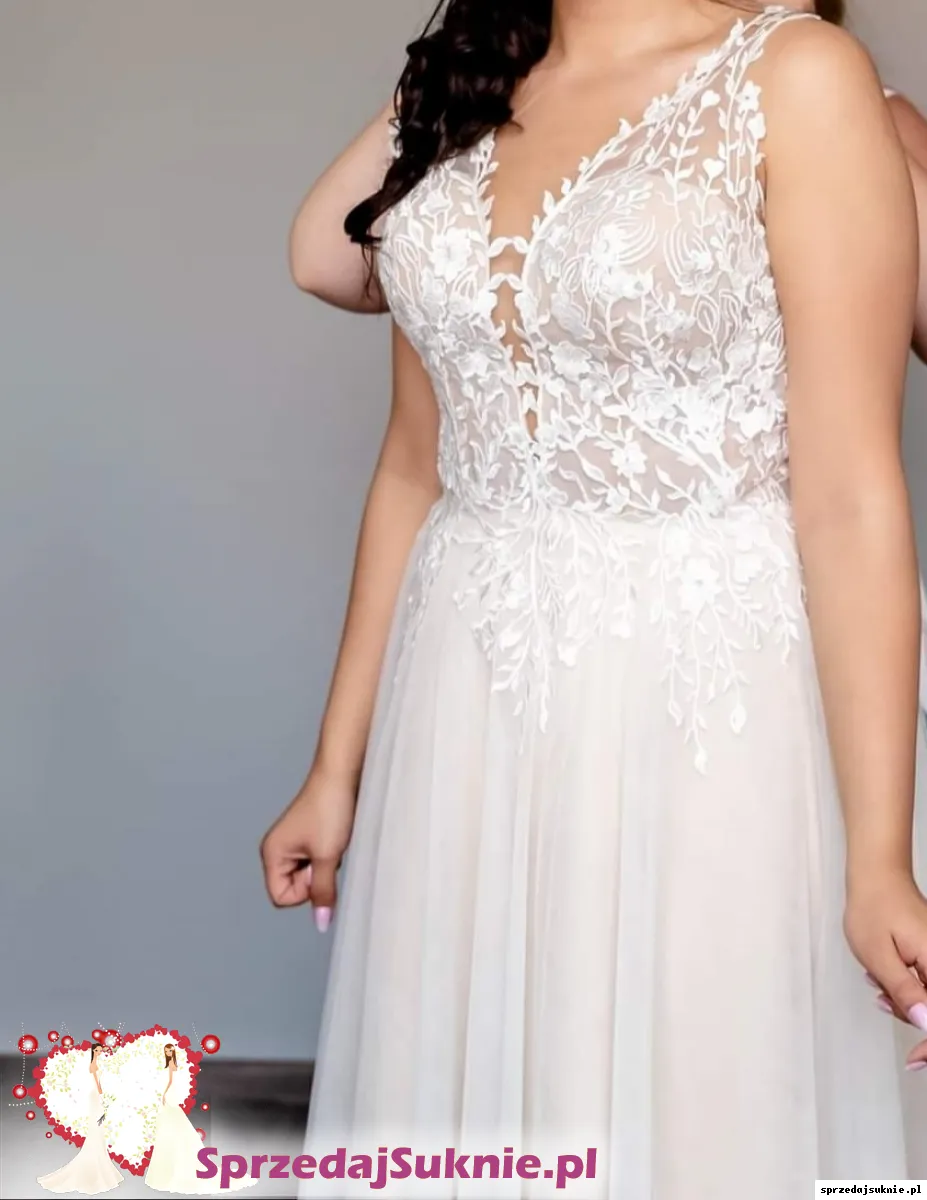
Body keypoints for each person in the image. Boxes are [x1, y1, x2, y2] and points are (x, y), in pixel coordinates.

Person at [262, 1, 927, 1195]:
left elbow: (849, 498)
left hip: (705, 704)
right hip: (467, 706)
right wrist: (335, 769)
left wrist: (881, 853)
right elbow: (417, 466)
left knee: (699, 1106)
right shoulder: (473, 95)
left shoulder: (799, 76)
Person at [37, 1044, 124, 1196]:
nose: (99, 1052)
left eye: (100, 1050)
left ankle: (99, 1156)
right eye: (97, 1050)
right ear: (93, 1051)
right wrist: (103, 1095)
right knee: (97, 1125)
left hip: (96, 1095)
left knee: (99, 1126)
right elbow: (96, 1083)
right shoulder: (93, 1064)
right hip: (96, 1095)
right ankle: (95, 1157)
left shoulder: (97, 1062)